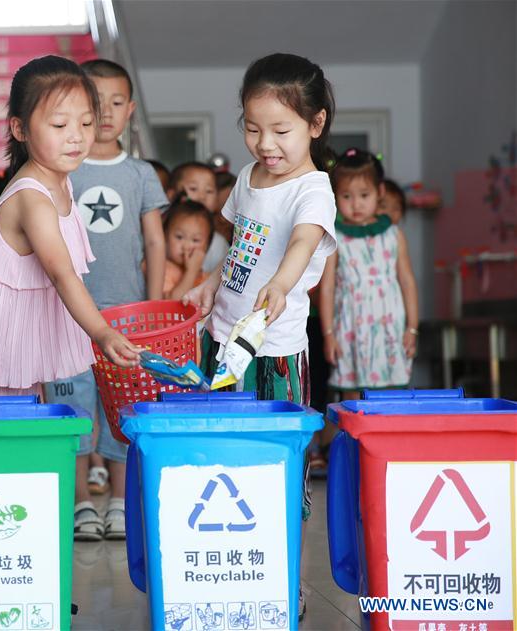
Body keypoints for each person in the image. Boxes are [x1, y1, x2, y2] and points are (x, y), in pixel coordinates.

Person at [182, 52, 338, 621]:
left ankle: (286, 580)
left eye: (280, 130)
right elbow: (238, 245)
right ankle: (230, 571)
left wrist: (281, 284)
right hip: (223, 344)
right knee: (224, 463)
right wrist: (209, 282)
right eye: (252, 129)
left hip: (275, 355)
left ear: (315, 124)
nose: (265, 144)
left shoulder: (313, 190)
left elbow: (302, 243)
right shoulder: (248, 178)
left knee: (280, 471)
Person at [0, 53, 140, 416]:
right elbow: (62, 274)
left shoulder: (61, 183)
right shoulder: (32, 197)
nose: (76, 136)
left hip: (14, 356)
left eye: (86, 122)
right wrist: (102, 333)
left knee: (22, 449)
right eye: (59, 124)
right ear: (20, 129)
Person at [39, 58, 167, 542]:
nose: (106, 112)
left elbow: (154, 242)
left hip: (127, 319)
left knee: (123, 411)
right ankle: (80, 503)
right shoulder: (61, 169)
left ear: (131, 109)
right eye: (96, 102)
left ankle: (118, 501)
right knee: (72, 412)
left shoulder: (140, 173)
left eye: (116, 102)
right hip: (66, 318)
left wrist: (154, 309)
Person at [320, 148, 419, 399]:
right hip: (349, 329)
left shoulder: (393, 234)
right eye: (346, 196)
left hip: (389, 327)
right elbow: (327, 288)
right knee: (351, 397)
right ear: (335, 196)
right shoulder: (336, 237)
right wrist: (328, 335)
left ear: (380, 192)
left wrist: (412, 328)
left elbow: (407, 282)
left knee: (391, 396)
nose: (356, 204)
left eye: (364, 195)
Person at [169, 162, 230, 274]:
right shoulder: (160, 233)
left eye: (209, 191)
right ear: (172, 195)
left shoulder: (219, 244)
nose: (202, 197)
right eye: (193, 189)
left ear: (216, 200)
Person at [161, 197, 212, 299]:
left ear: (207, 245)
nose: (186, 246)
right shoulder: (163, 270)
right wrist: (191, 272)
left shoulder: (207, 277)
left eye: (195, 240)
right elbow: (171, 303)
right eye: (179, 237)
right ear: (165, 236)